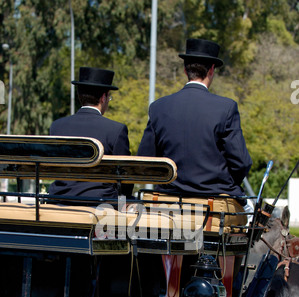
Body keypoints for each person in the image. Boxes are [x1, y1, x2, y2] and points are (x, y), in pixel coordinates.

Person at [137, 38, 252, 205]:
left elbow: (144, 160)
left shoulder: (158, 108)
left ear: (185, 70)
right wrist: (223, 185)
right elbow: (241, 162)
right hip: (214, 200)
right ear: (212, 69)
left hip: (167, 200)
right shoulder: (226, 107)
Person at [49, 67, 132, 204]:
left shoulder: (57, 126)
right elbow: (126, 176)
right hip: (100, 203)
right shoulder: (116, 130)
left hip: (60, 199)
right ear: (103, 98)